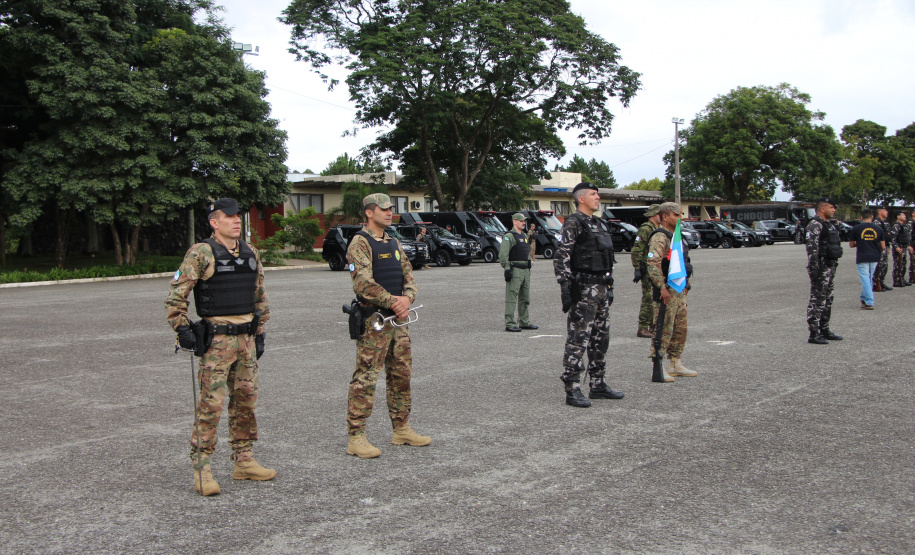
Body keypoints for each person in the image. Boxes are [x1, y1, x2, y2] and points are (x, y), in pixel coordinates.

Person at [165, 198, 275, 496]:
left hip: (246, 340)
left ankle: (244, 461)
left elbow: (259, 293)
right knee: (210, 406)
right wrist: (182, 328)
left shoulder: (251, 251)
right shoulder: (201, 253)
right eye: (229, 217)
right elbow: (176, 296)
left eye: (239, 216)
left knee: (246, 402)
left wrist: (260, 330)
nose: (237, 221)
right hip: (217, 342)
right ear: (214, 222)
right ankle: (202, 469)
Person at [344, 193, 431, 458]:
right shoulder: (359, 243)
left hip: (399, 322)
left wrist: (407, 298)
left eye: (390, 209)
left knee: (401, 375)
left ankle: (401, 428)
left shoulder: (393, 242)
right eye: (384, 209)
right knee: (366, 378)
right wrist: (394, 302)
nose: (389, 212)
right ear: (369, 212)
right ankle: (356, 437)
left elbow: (409, 276)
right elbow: (363, 283)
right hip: (375, 322)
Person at [553, 182, 623, 408]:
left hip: (601, 288)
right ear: (581, 198)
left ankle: (597, 384)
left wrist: (609, 285)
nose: (598, 197)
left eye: (598, 194)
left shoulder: (599, 223)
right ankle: (572, 388)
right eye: (593, 194)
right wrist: (565, 287)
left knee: (601, 339)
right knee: (578, 339)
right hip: (584, 290)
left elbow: (607, 256)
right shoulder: (574, 223)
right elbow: (561, 256)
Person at [645, 202, 695, 381]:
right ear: (665, 216)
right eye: (676, 215)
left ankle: (676, 362)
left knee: (680, 328)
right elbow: (653, 263)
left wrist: (686, 284)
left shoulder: (676, 236)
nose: (679, 218)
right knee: (663, 328)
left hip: (678, 290)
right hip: (666, 291)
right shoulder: (660, 237)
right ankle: (657, 366)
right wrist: (661, 287)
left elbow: (682, 262)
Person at [805, 198, 844, 345]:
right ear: (823, 208)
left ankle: (825, 329)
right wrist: (814, 269)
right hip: (821, 268)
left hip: (830, 266)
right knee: (818, 299)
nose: (834, 210)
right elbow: (812, 248)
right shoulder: (815, 224)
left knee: (828, 299)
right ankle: (814, 333)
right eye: (831, 207)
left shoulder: (829, 225)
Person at [499, 213, 538, 332]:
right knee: (512, 297)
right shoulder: (509, 236)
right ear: (514, 221)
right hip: (515, 269)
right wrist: (507, 268)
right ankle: (510, 322)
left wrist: (529, 261)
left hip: (525, 270)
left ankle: (524, 321)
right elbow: (503, 255)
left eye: (524, 221)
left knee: (525, 297)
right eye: (521, 221)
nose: (523, 222)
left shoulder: (525, 236)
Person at [630, 204, 661, 338]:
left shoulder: (656, 229)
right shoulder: (646, 229)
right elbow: (637, 249)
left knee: (655, 298)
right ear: (654, 215)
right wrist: (637, 268)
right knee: (648, 298)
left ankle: (651, 325)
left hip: (654, 268)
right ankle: (642, 327)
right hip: (647, 268)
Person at [849, 209, 885, 310]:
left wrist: (860, 243)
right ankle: (864, 298)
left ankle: (869, 301)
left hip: (862, 255)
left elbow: (851, 244)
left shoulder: (856, 228)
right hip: (874, 256)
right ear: (872, 217)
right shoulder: (878, 229)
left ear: (862, 217)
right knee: (869, 278)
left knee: (865, 278)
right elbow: (883, 246)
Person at [872, 207, 893, 292]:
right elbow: (877, 236)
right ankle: (876, 284)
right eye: (885, 211)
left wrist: (887, 246)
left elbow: (886, 237)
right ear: (880, 212)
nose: (887, 212)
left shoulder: (884, 223)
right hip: (878, 248)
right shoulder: (876, 223)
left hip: (884, 247)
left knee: (884, 266)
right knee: (878, 266)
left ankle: (881, 282)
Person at [890, 211, 911, 288]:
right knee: (898, 264)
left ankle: (901, 278)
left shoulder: (904, 225)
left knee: (903, 264)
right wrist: (896, 247)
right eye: (902, 215)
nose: (905, 216)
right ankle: (896, 280)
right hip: (899, 248)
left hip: (904, 247)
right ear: (898, 216)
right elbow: (893, 237)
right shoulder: (896, 225)